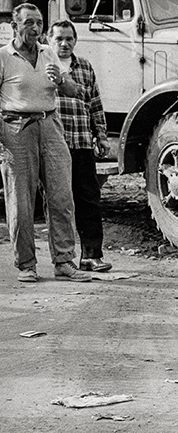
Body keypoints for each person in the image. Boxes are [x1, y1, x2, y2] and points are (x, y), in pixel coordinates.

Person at [0, 3, 90, 283]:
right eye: (29, 23)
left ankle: (64, 261)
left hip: (50, 124)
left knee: (62, 197)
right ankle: (26, 264)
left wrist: (62, 81)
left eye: (39, 23)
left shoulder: (48, 51)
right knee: (21, 202)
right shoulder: (3, 56)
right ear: (15, 26)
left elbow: (75, 91)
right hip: (16, 129)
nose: (35, 28)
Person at [48, 19, 112, 273]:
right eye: (59, 39)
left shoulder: (84, 66)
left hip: (83, 142)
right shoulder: (43, 65)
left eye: (69, 39)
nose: (64, 44)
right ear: (48, 40)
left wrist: (102, 135)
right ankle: (62, 259)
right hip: (54, 145)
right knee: (59, 202)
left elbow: (94, 102)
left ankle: (92, 255)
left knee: (89, 199)